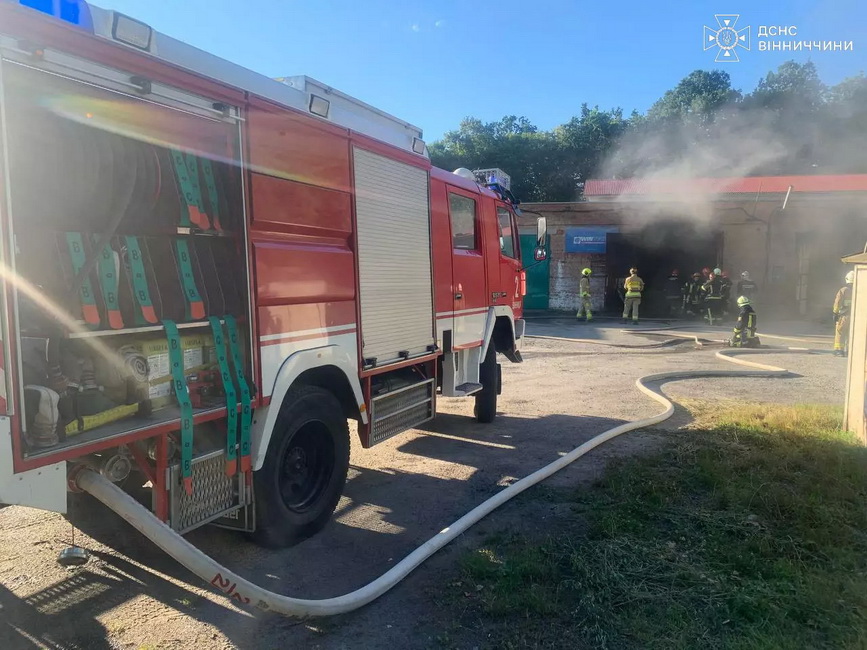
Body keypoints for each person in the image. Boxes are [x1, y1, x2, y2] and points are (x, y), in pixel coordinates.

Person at [833, 271, 854, 357]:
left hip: (844, 315)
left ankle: (839, 350)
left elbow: (837, 302)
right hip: (854, 316)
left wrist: (835, 313)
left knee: (840, 332)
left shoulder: (843, 290)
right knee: (850, 333)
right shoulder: (860, 289)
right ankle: (848, 351)